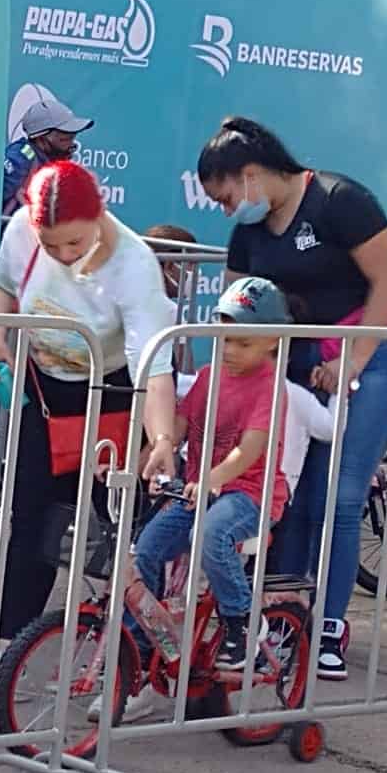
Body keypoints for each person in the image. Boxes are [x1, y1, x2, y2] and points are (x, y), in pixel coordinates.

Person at [0, 159, 178, 707]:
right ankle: (6, 660)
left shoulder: (134, 266)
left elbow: (154, 366)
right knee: (30, 530)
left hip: (116, 400)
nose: (64, 255)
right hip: (45, 400)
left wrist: (163, 439)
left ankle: (144, 670)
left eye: (74, 242)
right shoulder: (22, 231)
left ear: (99, 216)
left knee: (130, 545)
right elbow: (1, 285)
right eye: (51, 245)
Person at [197, 115, 387, 680]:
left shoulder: (341, 201)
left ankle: (330, 623)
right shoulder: (248, 231)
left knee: (339, 498)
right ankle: (283, 618)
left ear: (252, 173)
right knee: (283, 496)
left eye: (226, 197)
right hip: (290, 365)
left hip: (365, 356)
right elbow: (234, 310)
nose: (227, 210)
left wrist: (352, 361)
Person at [133, 276, 289, 671]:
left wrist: (212, 478)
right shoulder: (208, 375)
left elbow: (250, 449)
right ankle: (144, 639)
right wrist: (151, 455)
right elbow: (181, 423)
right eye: (225, 339)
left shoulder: (270, 387)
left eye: (243, 342)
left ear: (273, 341)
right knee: (146, 547)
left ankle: (242, 622)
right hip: (200, 491)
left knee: (210, 534)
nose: (230, 350)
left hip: (249, 493)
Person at [1, 97, 94, 225]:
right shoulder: (21, 158)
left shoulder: (54, 166)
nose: (71, 144)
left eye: (72, 138)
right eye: (64, 139)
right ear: (41, 138)